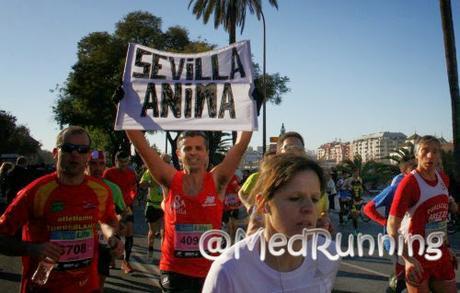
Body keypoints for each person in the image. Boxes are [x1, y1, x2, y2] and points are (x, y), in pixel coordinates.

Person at [0, 126, 123, 293]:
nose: (75, 154)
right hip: (44, 288)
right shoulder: (35, 192)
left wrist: (112, 238)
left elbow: (107, 220)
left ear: (88, 155)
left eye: (82, 150)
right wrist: (32, 249)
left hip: (87, 286)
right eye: (68, 148)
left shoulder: (100, 190)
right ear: (55, 152)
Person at [126, 130, 252, 292]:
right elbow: (143, 148)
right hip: (174, 271)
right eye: (187, 148)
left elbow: (240, 146)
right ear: (179, 153)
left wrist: (250, 108)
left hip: (209, 271)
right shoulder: (170, 179)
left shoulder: (216, 181)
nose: (193, 152)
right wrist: (125, 111)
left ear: (207, 153)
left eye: (199, 148)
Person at [202, 153, 340, 292]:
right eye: (295, 198)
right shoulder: (228, 271)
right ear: (263, 204)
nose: (309, 208)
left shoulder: (328, 256)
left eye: (315, 199)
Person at [387, 135, 458, 293]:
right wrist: (408, 259)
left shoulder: (443, 180)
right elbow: (392, 226)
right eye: (425, 150)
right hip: (416, 257)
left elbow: (440, 218)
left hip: (440, 253)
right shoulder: (409, 184)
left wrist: (447, 247)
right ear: (416, 154)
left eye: (435, 151)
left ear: (439, 155)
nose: (430, 155)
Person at [242, 131, 332, 235]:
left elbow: (323, 209)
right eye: (288, 148)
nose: (294, 152)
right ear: (279, 152)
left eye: (299, 149)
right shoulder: (266, 178)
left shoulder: (313, 178)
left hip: (308, 242)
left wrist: (323, 218)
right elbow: (253, 228)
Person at [363, 157, 416, 292]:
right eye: (412, 169)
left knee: (415, 276)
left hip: (414, 239)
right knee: (402, 279)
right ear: (404, 173)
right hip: (396, 239)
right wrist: (386, 223)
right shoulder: (395, 189)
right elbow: (368, 208)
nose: (416, 172)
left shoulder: (421, 188)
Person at [86, 150, 128, 289]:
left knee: (99, 283)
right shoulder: (76, 185)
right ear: (86, 164)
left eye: (101, 164)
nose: (97, 168)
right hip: (81, 242)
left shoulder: (113, 189)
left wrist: (116, 223)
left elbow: (123, 212)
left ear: (105, 166)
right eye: (93, 164)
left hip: (102, 242)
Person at [103, 151, 137, 274]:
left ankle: (125, 262)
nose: (123, 164)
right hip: (114, 206)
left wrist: (133, 197)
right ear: (115, 161)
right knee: (114, 232)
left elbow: (133, 187)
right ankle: (112, 258)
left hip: (127, 206)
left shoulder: (131, 173)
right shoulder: (108, 173)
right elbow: (104, 188)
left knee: (129, 231)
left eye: (126, 162)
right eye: (121, 162)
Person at [139, 153, 171, 251]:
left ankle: (163, 255)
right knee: (152, 232)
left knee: (164, 233)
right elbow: (142, 184)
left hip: (165, 206)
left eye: (168, 162)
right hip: (152, 205)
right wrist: (150, 183)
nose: (166, 164)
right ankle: (150, 249)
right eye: (164, 161)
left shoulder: (170, 172)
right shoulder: (151, 171)